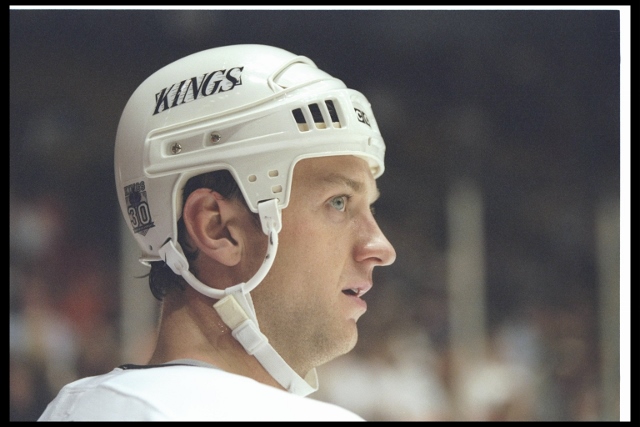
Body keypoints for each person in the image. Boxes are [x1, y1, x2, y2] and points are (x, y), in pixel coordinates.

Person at [38, 44, 396, 421]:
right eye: (338, 202)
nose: (380, 247)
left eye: (369, 208)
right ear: (217, 228)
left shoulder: (81, 407)